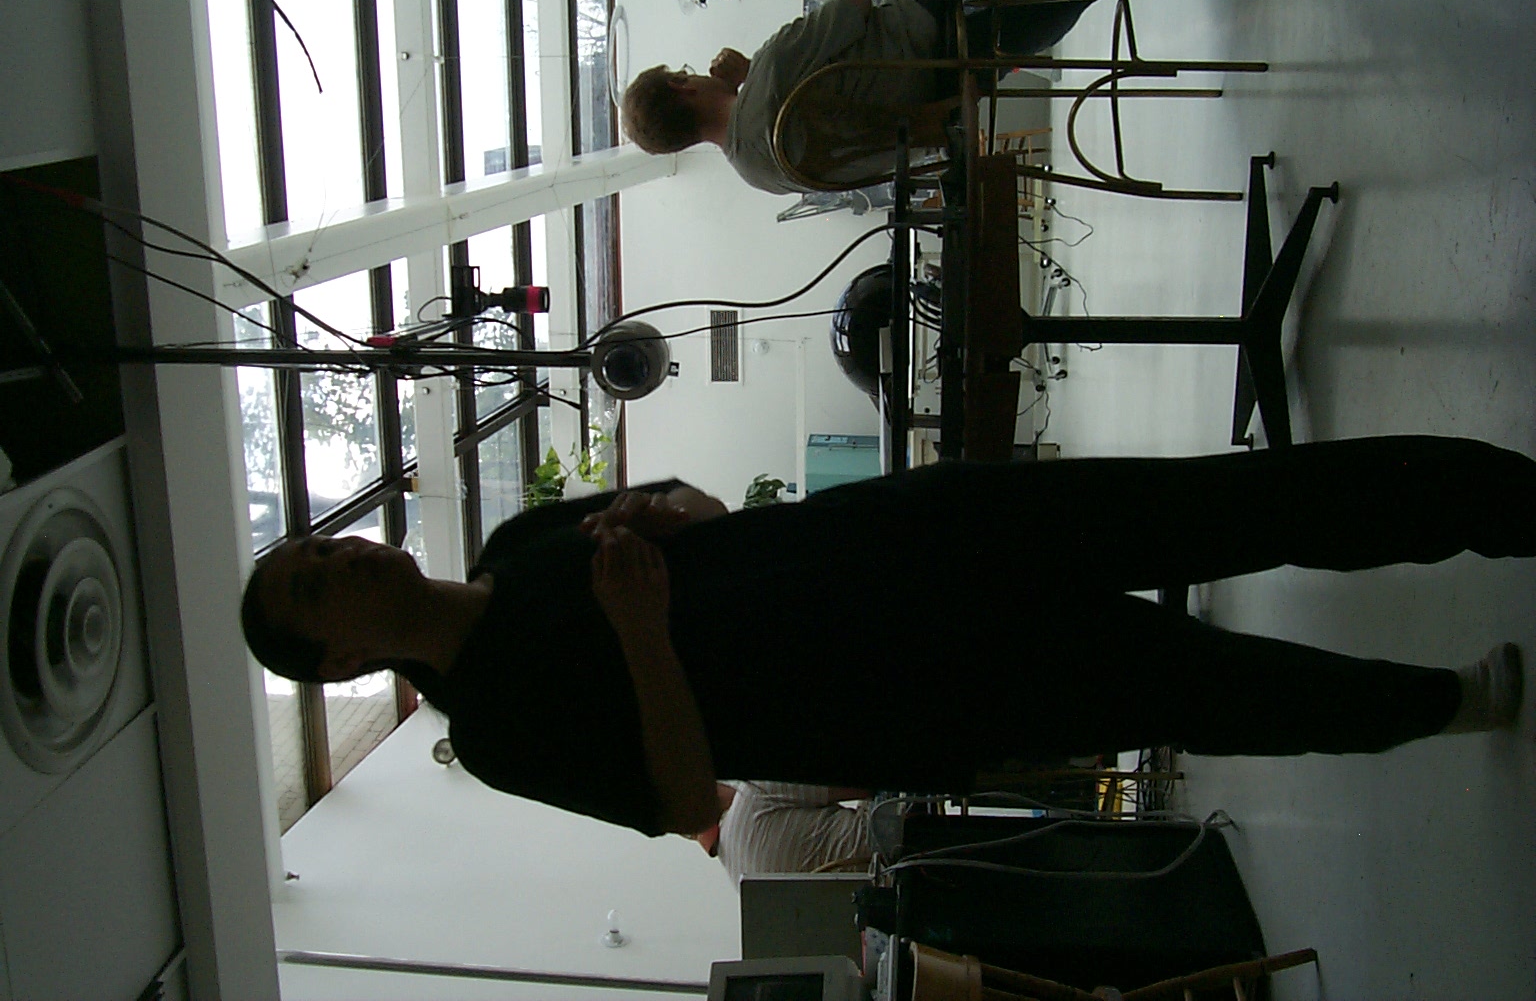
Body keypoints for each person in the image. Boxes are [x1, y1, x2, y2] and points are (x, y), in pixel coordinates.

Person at [241, 436, 1532, 839]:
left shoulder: (520, 544)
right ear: (342, 663)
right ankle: (1438, 704)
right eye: (316, 584)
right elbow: (686, 801)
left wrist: (667, 510)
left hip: (919, 535)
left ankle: (1490, 500)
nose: (342, 554)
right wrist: (639, 634)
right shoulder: (498, 735)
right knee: (1202, 686)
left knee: (1212, 505)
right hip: (915, 689)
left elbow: (699, 510)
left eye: (322, 544)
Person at [621, 0, 1127, 194]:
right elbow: (858, 2)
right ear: (683, 88)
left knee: (1046, 9)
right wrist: (751, 70)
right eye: (684, 73)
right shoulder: (769, 71)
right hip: (916, 21)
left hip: (949, 97)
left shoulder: (760, 176)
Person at [692, 781, 874, 885]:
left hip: (875, 898)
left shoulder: (741, 881)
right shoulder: (753, 794)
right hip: (883, 837)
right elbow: (863, 782)